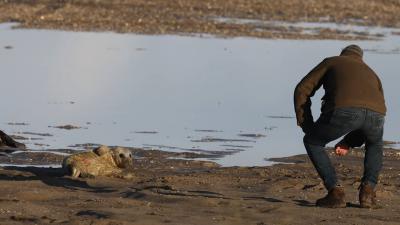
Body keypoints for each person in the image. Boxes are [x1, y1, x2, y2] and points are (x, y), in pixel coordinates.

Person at [293, 45, 386, 208]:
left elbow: (302, 89)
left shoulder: (332, 62)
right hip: (378, 115)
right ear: (361, 58)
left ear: (342, 54)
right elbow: (365, 115)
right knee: (375, 144)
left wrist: (307, 125)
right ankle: (368, 193)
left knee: (312, 142)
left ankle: (336, 193)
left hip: (343, 110)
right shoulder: (373, 73)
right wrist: (348, 142)